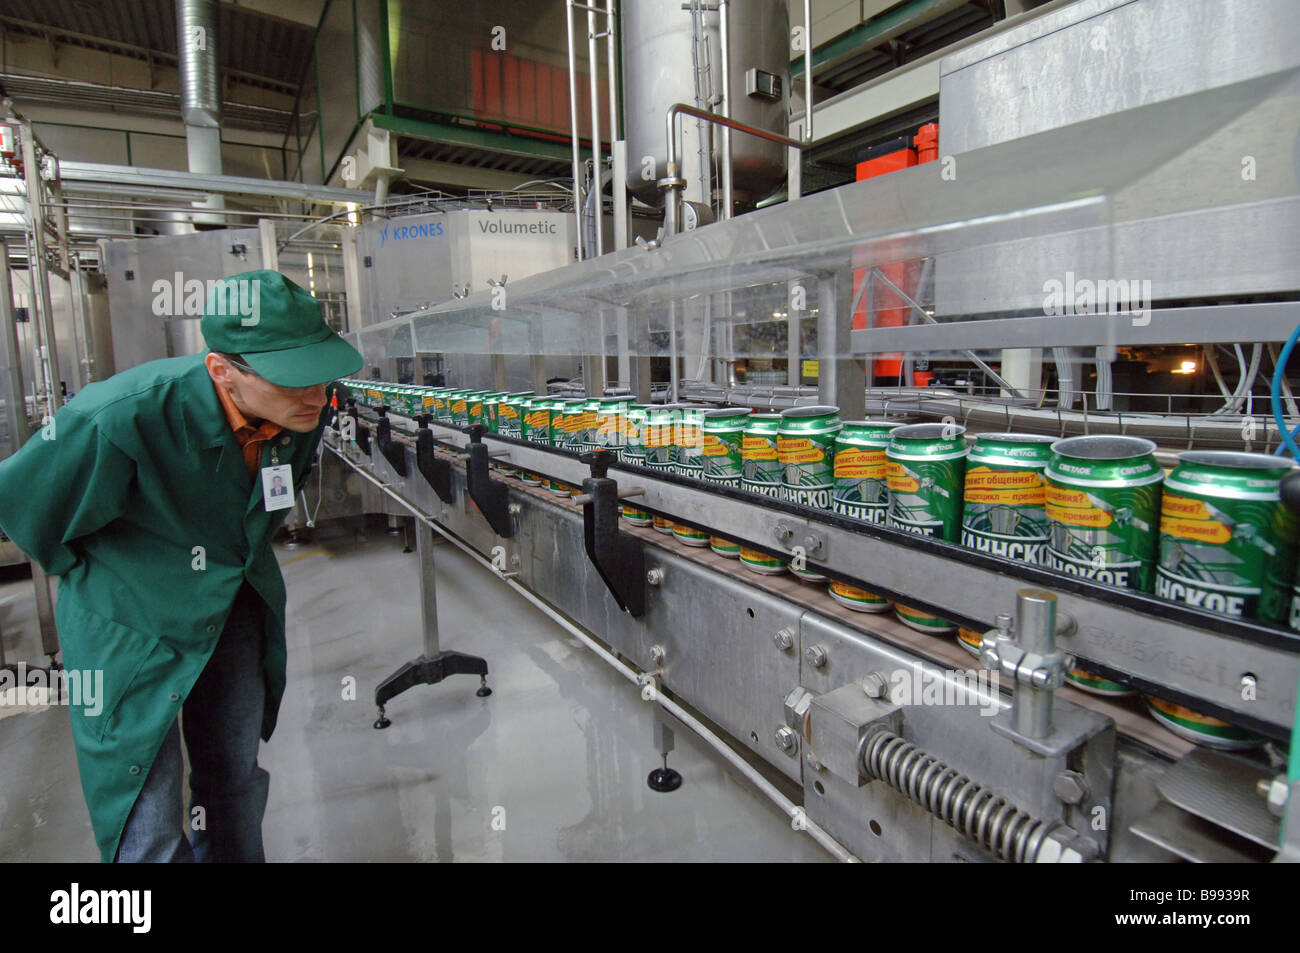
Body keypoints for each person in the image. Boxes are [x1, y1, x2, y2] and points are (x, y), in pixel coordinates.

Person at [0, 270, 362, 862]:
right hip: (131, 619)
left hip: (231, 601)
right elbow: (25, 505)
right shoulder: (119, 416)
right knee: (143, 797)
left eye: (323, 378)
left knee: (234, 778)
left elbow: (263, 503)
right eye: (295, 381)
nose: (316, 397)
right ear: (223, 370)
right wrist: (121, 577)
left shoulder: (302, 411)